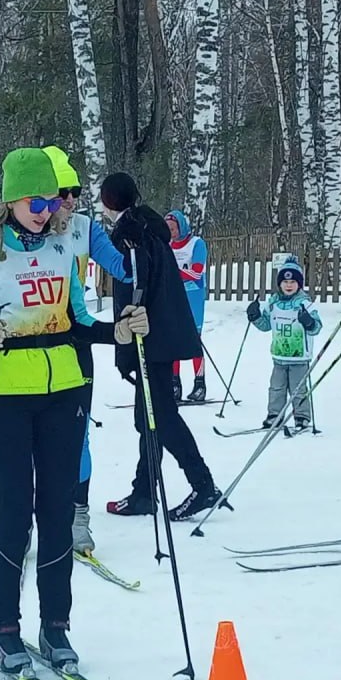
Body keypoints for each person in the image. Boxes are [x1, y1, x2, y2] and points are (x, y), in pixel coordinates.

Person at [0, 149, 144, 672]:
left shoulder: (63, 245)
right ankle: (4, 628)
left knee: (57, 512)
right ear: (11, 198)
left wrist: (116, 331)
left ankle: (56, 626)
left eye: (52, 200)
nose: (44, 209)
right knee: (15, 515)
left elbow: (77, 319)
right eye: (35, 200)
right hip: (6, 393)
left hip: (64, 390)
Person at [98, 172, 225, 522]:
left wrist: (126, 347)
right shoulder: (148, 226)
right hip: (162, 334)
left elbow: (133, 290)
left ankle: (202, 485)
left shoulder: (132, 234)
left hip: (150, 337)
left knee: (160, 417)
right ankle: (143, 491)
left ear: (110, 202)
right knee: (148, 417)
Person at [42, 146, 128, 555]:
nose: (71, 199)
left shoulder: (83, 227)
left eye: (75, 190)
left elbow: (120, 265)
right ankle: (30, 516)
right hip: (28, 346)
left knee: (78, 435)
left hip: (77, 340)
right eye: (62, 191)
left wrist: (137, 234)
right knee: (29, 437)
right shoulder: (21, 236)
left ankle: (78, 515)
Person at [246, 257, 322, 430]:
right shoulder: (273, 303)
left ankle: (301, 416)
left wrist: (309, 322)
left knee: (298, 389)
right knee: (276, 388)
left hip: (299, 357)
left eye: (293, 282)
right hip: (279, 356)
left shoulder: (304, 303)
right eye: (285, 281)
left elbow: (316, 327)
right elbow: (266, 325)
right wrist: (255, 317)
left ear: (299, 284)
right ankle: (275, 415)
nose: (289, 285)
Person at [166, 210, 208, 403]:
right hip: (173, 296)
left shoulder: (196, 244)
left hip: (193, 296)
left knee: (193, 339)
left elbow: (197, 273)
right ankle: (174, 384)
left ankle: (200, 384)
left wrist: (173, 274)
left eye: (173, 228)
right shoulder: (167, 245)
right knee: (173, 339)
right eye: (168, 229)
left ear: (181, 226)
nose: (171, 232)